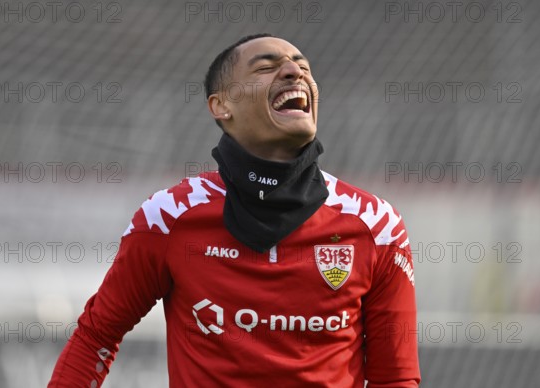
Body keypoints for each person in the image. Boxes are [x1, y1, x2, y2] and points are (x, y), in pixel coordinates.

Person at [48, 33, 420, 387]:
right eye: (266, 66)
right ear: (221, 105)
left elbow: (395, 378)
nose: (295, 72)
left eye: (302, 66)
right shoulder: (168, 218)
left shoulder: (377, 225)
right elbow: (97, 335)